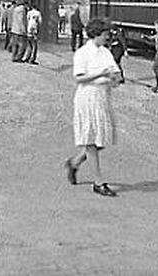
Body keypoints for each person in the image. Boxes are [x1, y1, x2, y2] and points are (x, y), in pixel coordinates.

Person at [63, 18, 123, 197]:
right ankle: (99, 182)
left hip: (103, 98)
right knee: (91, 141)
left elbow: (115, 72)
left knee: (101, 140)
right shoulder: (82, 53)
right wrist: (101, 74)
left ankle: (74, 162)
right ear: (96, 34)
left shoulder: (105, 52)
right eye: (105, 35)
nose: (108, 37)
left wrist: (115, 78)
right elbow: (79, 78)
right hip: (87, 98)